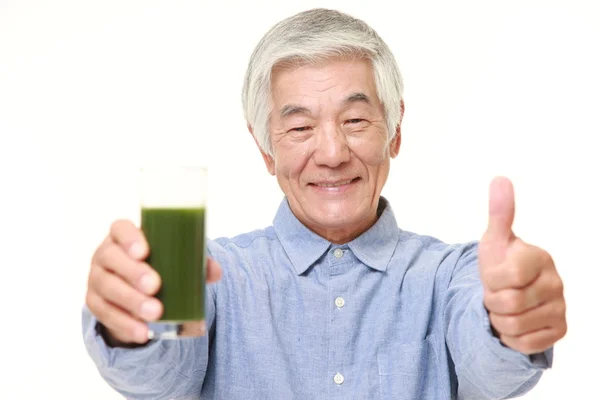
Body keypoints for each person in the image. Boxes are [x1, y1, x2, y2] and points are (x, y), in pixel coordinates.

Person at [82, 8, 567, 399]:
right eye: (299, 128)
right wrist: (130, 322)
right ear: (265, 149)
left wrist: (510, 321)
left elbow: (492, 370)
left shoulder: (450, 275)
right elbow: (159, 380)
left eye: (355, 120)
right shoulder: (210, 276)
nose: (332, 154)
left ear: (395, 131)